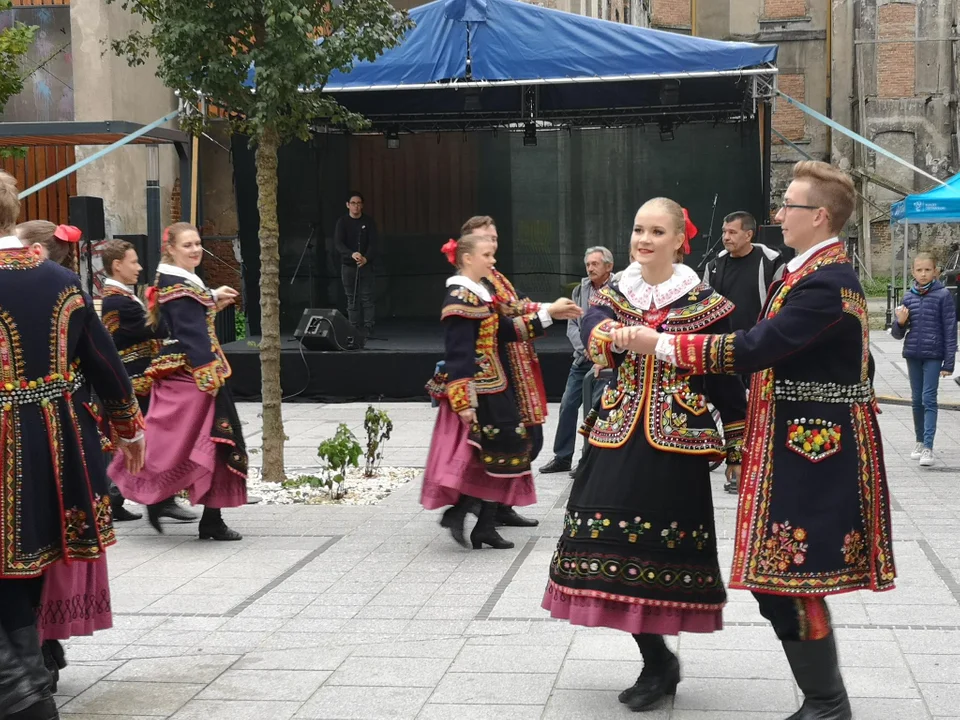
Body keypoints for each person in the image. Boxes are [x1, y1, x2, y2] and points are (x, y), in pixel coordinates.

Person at [627, 161, 897, 720]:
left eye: (788, 206)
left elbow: (755, 347)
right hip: (797, 446)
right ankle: (826, 702)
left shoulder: (828, 281)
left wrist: (664, 345)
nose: (778, 215)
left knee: (790, 579)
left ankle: (828, 704)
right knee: (779, 580)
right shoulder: (806, 272)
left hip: (815, 452)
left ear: (818, 216)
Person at [542, 198, 745, 712]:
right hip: (615, 435)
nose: (644, 239)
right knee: (603, 544)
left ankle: (658, 664)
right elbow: (593, 331)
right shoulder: (615, 292)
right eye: (638, 229)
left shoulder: (706, 304)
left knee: (658, 554)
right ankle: (656, 656)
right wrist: (610, 333)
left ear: (680, 240)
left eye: (656, 231)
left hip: (676, 444)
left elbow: (723, 380)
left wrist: (740, 443)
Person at [0, 170, 145, 720]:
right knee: (32, 558)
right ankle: (29, 681)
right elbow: (104, 362)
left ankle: (24, 690)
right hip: (54, 441)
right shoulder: (59, 282)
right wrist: (130, 427)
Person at [423, 234, 566, 549]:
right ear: (469, 258)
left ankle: (479, 521)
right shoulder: (460, 297)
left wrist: (548, 316)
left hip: (494, 384)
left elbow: (504, 329)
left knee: (502, 451)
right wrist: (464, 402)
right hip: (480, 388)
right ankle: (467, 515)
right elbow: (459, 354)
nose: (493, 261)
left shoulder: (479, 295)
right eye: (487, 254)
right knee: (502, 449)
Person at [109, 223, 248, 541]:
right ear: (170, 248)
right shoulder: (178, 284)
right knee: (209, 443)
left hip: (191, 373)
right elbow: (189, 331)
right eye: (188, 245)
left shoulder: (177, 280)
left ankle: (188, 509)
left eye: (198, 243)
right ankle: (176, 505)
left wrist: (211, 299)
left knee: (197, 443)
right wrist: (207, 375)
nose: (196, 249)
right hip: (197, 377)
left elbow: (180, 320)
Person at [461, 215, 582, 528]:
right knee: (511, 439)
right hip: (493, 373)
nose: (492, 245)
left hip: (515, 365)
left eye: (495, 239)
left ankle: (496, 505)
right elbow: (502, 324)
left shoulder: (494, 276)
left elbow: (517, 307)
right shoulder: (474, 283)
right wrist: (548, 313)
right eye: (485, 239)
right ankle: (482, 503)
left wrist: (548, 309)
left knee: (528, 438)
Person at [100, 240, 198, 524]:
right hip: (136, 380)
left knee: (141, 442)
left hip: (134, 378)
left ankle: (115, 498)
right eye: (133, 262)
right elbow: (158, 328)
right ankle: (161, 500)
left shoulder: (122, 297)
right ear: (117, 265)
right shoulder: (118, 301)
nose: (139, 267)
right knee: (153, 440)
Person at [540, 246, 614, 475]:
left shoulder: (618, 288)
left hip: (606, 360)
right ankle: (562, 457)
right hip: (582, 358)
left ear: (608, 266)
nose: (590, 268)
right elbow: (572, 325)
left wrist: (601, 351)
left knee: (595, 408)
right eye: (588, 264)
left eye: (595, 264)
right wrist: (586, 349)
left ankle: (588, 459)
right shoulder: (581, 289)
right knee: (567, 405)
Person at [891, 252, 957, 467]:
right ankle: (919, 441)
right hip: (913, 354)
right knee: (916, 399)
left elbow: (950, 330)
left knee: (929, 399)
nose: (923, 274)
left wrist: (949, 363)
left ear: (936, 272)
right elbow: (897, 333)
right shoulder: (908, 297)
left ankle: (928, 446)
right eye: (919, 270)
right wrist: (900, 322)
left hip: (934, 355)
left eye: (927, 270)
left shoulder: (943, 296)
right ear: (912, 272)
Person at [703, 211, 785, 335]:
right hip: (721, 344)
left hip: (759, 341)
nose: (726, 237)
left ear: (748, 235)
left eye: (732, 232)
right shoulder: (713, 266)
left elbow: (781, 305)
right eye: (724, 231)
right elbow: (705, 306)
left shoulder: (772, 264)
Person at [334, 191, 378, 335]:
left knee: (367, 297)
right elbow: (339, 244)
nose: (356, 206)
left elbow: (374, 244)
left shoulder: (368, 222)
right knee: (351, 298)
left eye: (359, 203)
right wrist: (351, 254)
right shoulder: (342, 222)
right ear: (348, 205)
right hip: (348, 265)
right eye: (353, 203)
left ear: (362, 205)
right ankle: (353, 328)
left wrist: (366, 258)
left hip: (365, 265)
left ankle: (368, 327)